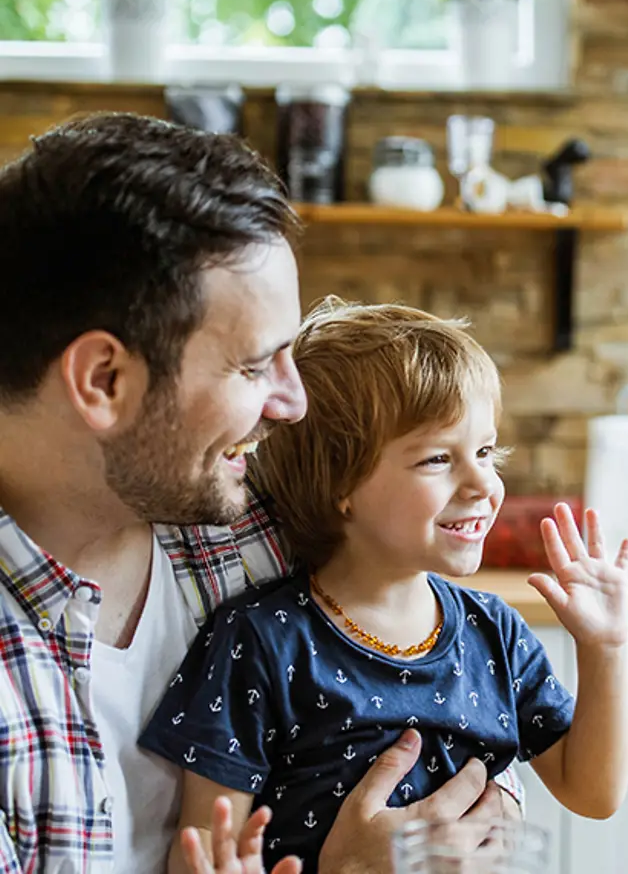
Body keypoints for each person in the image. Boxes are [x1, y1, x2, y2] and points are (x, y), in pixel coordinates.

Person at [0, 112, 525, 874]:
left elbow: (456, 694)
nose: (294, 405)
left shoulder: (270, 523)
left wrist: (477, 805)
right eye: (254, 367)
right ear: (104, 380)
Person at [139, 298, 628, 873]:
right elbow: (203, 844)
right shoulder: (260, 640)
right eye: (436, 459)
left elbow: (593, 793)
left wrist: (606, 649)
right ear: (341, 486)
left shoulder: (495, 632)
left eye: (484, 451)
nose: (482, 483)